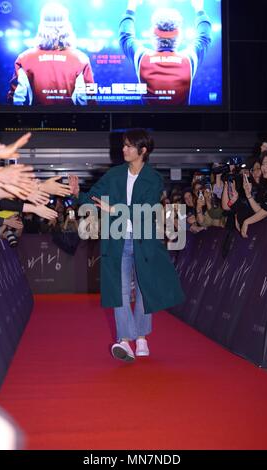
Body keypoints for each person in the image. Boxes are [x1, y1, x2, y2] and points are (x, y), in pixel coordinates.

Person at [73, 129, 184, 362]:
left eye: (129, 146)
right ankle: (125, 340)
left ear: (142, 151)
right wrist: (77, 194)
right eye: (123, 145)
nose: (123, 149)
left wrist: (114, 210)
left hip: (146, 241)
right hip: (117, 241)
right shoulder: (114, 175)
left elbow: (145, 210)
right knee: (119, 290)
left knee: (145, 289)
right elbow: (93, 200)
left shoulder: (153, 178)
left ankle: (142, 336)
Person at [119, 0, 212, 105]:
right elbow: (204, 37)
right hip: (184, 121)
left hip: (147, 120)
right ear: (178, 37)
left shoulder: (142, 58)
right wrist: (199, 9)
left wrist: (131, 7)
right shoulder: (189, 60)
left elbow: (125, 36)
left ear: (153, 36)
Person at [8, 3, 95, 106]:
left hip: (35, 120)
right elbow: (88, 101)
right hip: (70, 120)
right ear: (67, 25)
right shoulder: (81, 59)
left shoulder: (24, 58)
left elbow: (16, 101)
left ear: (42, 25)